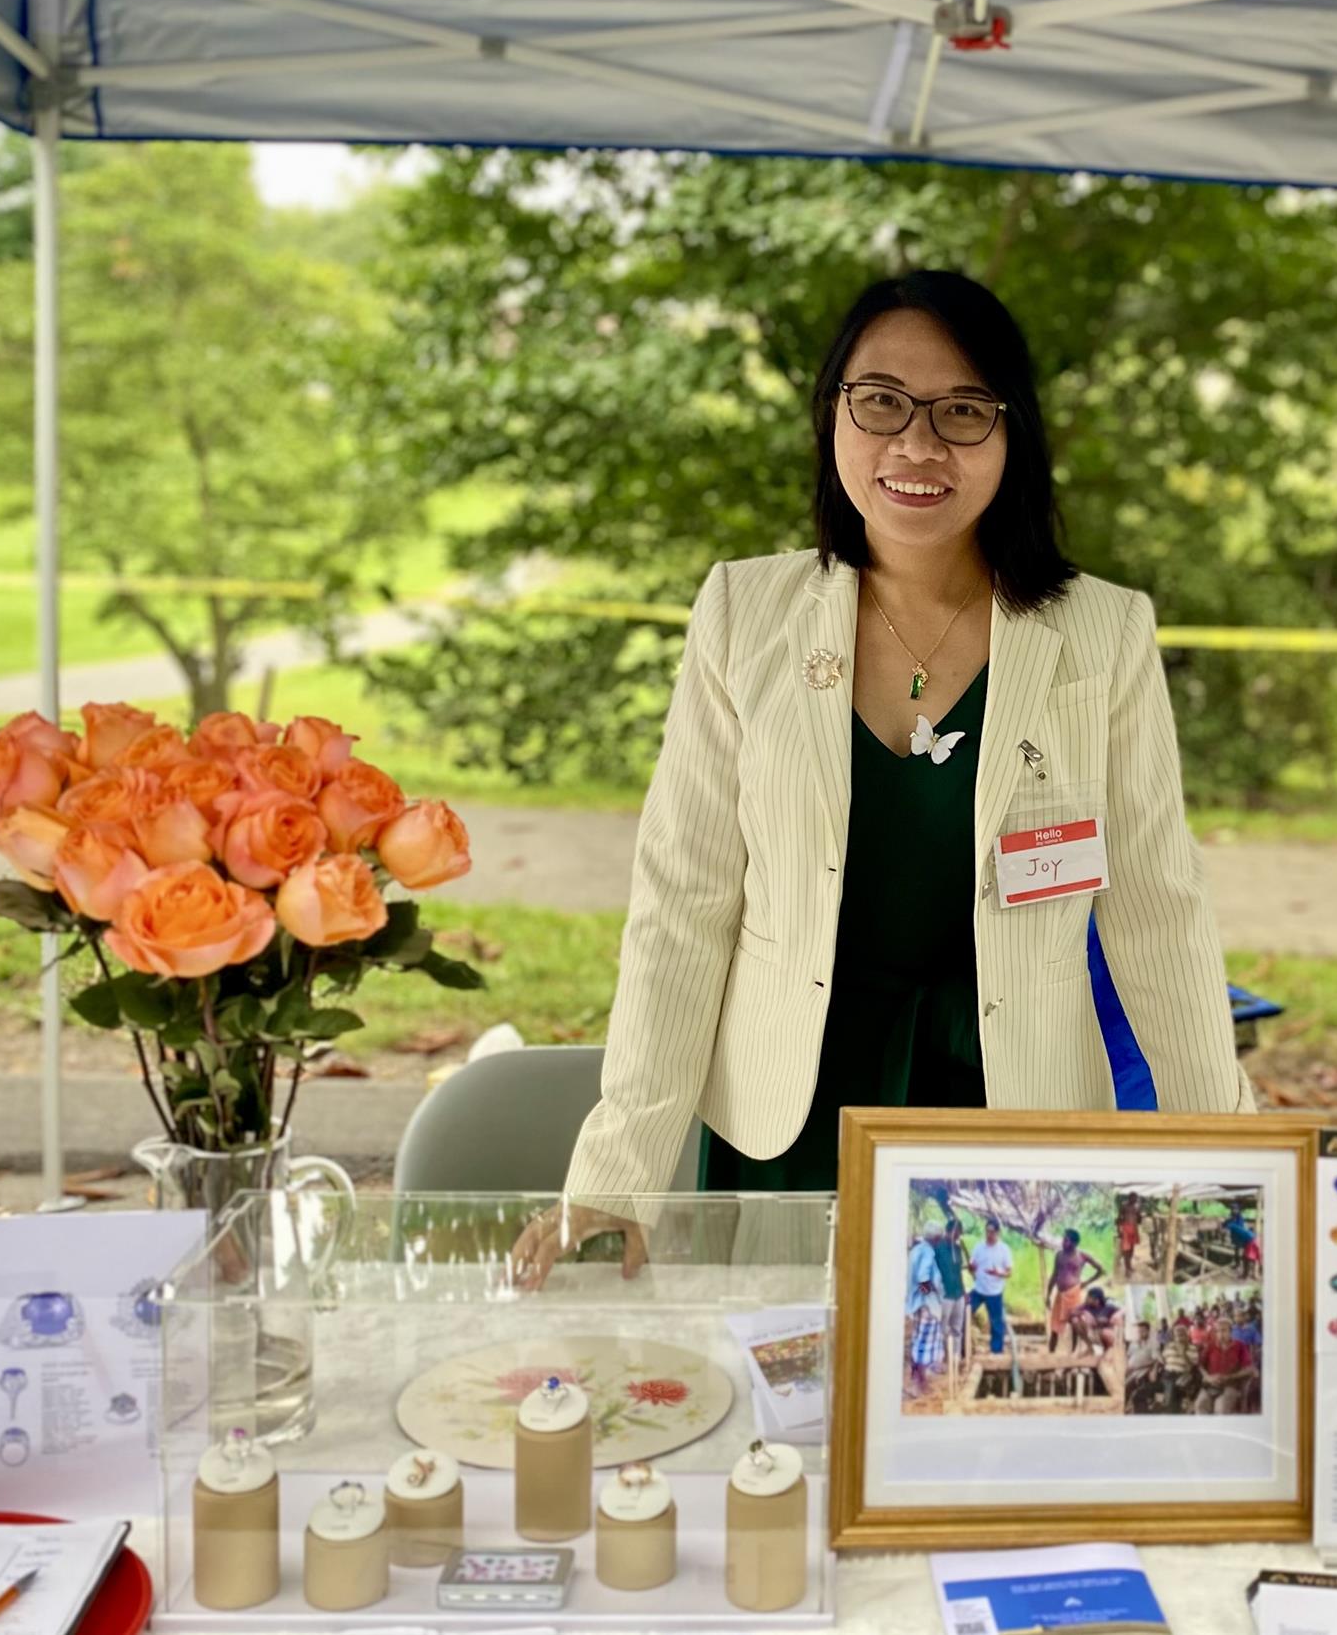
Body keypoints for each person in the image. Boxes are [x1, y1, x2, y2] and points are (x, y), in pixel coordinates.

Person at [509, 270, 1251, 1288]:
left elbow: (1160, 913)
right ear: (833, 415)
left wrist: (1235, 1167)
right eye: (883, 402)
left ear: (1013, 434)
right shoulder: (744, 615)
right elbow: (681, 909)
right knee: (784, 1377)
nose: (917, 444)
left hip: (1016, 1107)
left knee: (996, 1359)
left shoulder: (1101, 634)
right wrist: (612, 1180)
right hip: (793, 1111)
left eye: (962, 411)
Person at [1046, 1228, 1106, 1353]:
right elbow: (1054, 1275)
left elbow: (1101, 1270)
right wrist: (1048, 1294)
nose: (1063, 1242)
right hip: (1060, 1294)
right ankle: (1051, 1353)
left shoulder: (1081, 1256)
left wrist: (1086, 1283)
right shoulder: (1059, 1255)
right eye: (1063, 1239)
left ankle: (1073, 1353)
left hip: (1073, 1293)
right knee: (1054, 1325)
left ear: (1074, 1243)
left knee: (1074, 1322)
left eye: (1066, 1240)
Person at [906, 1229, 945, 1398]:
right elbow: (923, 1278)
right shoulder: (928, 1252)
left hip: (916, 1303)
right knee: (924, 1344)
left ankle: (919, 1380)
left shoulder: (916, 1250)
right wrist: (930, 1295)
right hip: (927, 1305)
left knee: (918, 1340)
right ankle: (918, 1384)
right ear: (935, 1238)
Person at [969, 1219, 1013, 1357]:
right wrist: (972, 1268)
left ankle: (996, 1351)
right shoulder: (978, 1247)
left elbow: (1009, 1272)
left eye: (992, 1232)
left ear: (997, 1233)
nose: (989, 1234)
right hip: (978, 1289)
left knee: (996, 1323)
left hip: (995, 1291)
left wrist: (998, 1273)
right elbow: (972, 1266)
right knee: (964, 1311)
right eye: (987, 1231)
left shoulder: (1004, 1249)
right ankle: (965, 1347)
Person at [934, 1216, 970, 1370]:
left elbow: (958, 1272)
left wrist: (964, 1291)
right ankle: (941, 1360)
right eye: (956, 1233)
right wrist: (929, 1292)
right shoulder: (938, 1248)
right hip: (945, 1294)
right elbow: (930, 1273)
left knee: (957, 1328)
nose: (957, 1237)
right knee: (942, 1328)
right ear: (948, 1231)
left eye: (959, 1234)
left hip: (958, 1294)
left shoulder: (957, 1249)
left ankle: (955, 1359)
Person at [1196, 1318, 1248, 1415]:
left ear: (1231, 1332)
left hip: (1230, 1385)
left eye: (1224, 1330)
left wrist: (1229, 1377)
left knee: (1221, 1408)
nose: (1220, 1334)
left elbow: (1249, 1368)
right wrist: (1207, 1377)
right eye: (1217, 1331)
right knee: (1200, 1405)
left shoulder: (1239, 1346)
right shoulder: (1210, 1346)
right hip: (1210, 1384)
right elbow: (1200, 1365)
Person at [1115, 1194, 1142, 1281]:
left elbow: (1139, 1220)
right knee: (1126, 1250)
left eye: (1136, 1199)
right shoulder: (1124, 1206)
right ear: (1129, 1198)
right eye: (1134, 1198)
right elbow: (1119, 1218)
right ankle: (1127, 1270)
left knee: (1132, 1249)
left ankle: (1129, 1266)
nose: (1135, 1200)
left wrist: (1139, 1213)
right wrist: (1119, 1230)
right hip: (1125, 1229)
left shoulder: (1136, 1207)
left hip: (1134, 1229)